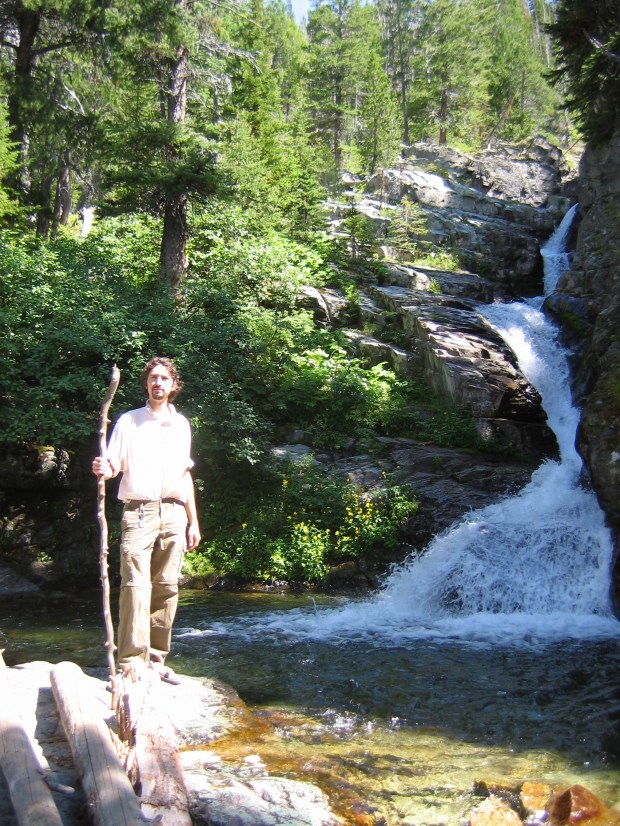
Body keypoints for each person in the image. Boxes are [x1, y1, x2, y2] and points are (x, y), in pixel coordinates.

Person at [92, 356, 201, 684]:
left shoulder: (181, 425)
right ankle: (130, 664)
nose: (158, 383)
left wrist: (193, 522)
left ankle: (156, 659)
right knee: (135, 586)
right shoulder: (128, 421)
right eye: (153, 378)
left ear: (173, 385)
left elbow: (185, 476)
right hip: (138, 512)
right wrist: (104, 469)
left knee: (167, 587)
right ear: (146, 383)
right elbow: (113, 466)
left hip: (174, 513)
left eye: (164, 379)